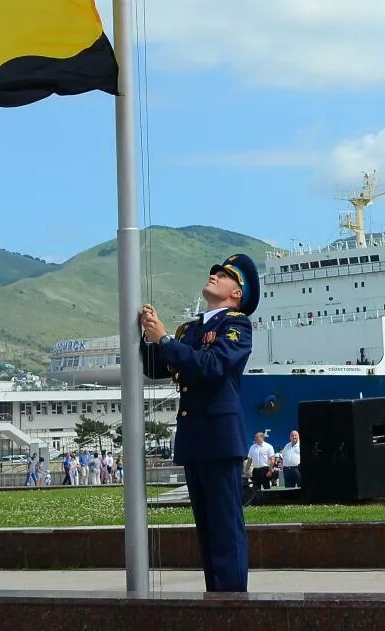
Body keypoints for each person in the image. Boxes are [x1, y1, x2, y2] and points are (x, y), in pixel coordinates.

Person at [140, 252, 259, 594]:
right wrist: (147, 335)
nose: (215, 276)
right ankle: (215, 599)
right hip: (195, 438)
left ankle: (232, 600)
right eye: (215, 272)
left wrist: (164, 340)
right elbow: (157, 367)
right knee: (206, 530)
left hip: (220, 438)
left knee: (225, 528)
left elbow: (211, 366)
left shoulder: (236, 324)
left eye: (224, 275)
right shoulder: (191, 329)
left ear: (237, 293)